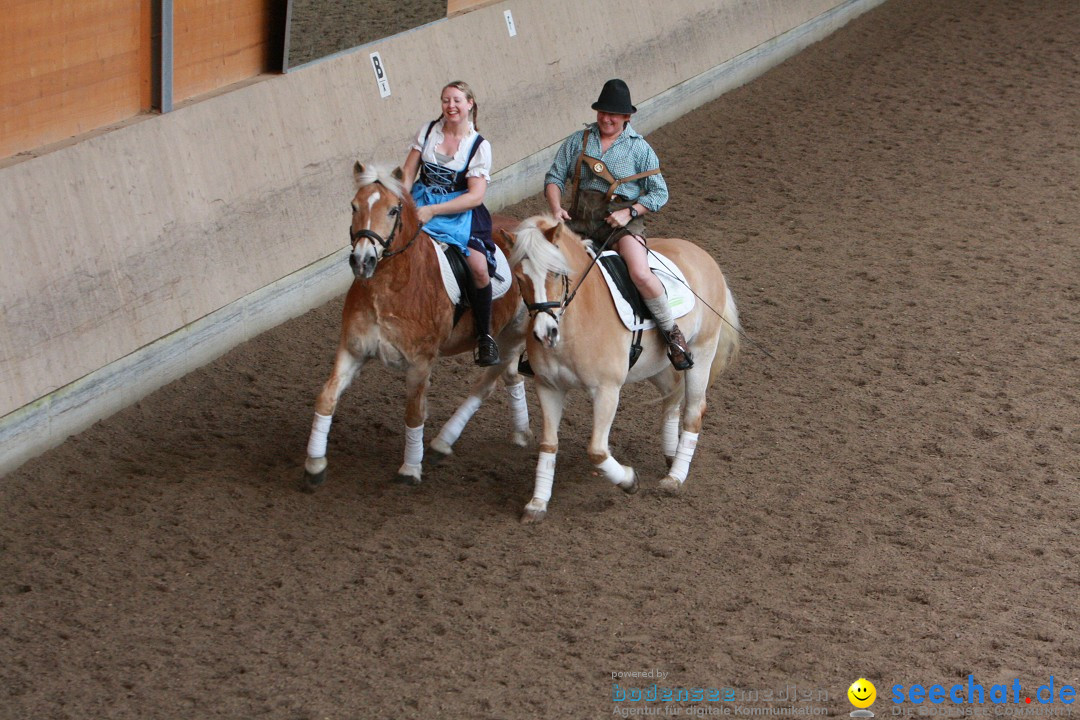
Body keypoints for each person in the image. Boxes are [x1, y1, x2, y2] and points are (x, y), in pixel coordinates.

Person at [544, 78, 692, 370]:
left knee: (639, 272)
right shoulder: (578, 140)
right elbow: (554, 177)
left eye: (613, 114)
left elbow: (660, 193)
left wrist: (631, 212)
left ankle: (671, 332)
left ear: (627, 117)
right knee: (547, 267)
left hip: (621, 224)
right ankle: (540, 339)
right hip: (580, 220)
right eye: (602, 112)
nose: (606, 118)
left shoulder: (640, 150)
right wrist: (555, 208)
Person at [401, 80, 500, 366]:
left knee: (479, 269)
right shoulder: (428, 131)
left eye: (457, 100)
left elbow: (475, 196)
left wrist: (434, 211)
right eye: (446, 100)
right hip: (421, 201)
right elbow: (408, 173)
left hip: (458, 212)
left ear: (470, 104)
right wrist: (402, 199)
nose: (451, 106)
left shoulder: (478, 146)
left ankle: (484, 336)